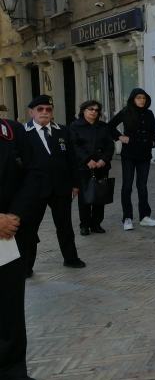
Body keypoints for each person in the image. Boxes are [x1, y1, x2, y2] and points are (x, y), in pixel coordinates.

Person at [16, 95, 85, 274]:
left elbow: (72, 159)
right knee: (29, 229)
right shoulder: (22, 133)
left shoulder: (62, 131)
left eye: (48, 109)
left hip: (61, 187)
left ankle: (71, 258)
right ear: (31, 112)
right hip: (34, 190)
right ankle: (26, 266)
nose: (45, 113)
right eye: (40, 109)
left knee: (65, 225)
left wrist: (75, 184)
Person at [0, 115, 41, 380]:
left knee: (9, 303)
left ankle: (11, 370)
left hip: (8, 235)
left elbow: (35, 173)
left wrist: (13, 216)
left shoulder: (12, 132)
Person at [108, 88, 155, 231]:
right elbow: (110, 126)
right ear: (132, 99)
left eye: (143, 98)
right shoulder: (126, 111)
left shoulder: (149, 113)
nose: (141, 100)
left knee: (142, 186)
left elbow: (153, 131)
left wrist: (153, 142)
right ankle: (127, 217)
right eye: (138, 98)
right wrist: (119, 137)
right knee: (127, 186)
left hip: (144, 154)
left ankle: (145, 217)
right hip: (129, 154)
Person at [69, 100, 114, 235]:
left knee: (100, 196)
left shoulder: (103, 126)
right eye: (91, 109)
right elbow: (74, 146)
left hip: (101, 166)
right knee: (85, 197)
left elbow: (109, 146)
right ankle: (84, 225)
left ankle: (96, 224)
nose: (94, 112)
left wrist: (103, 160)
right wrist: (88, 160)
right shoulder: (75, 126)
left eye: (96, 110)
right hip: (83, 167)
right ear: (83, 111)